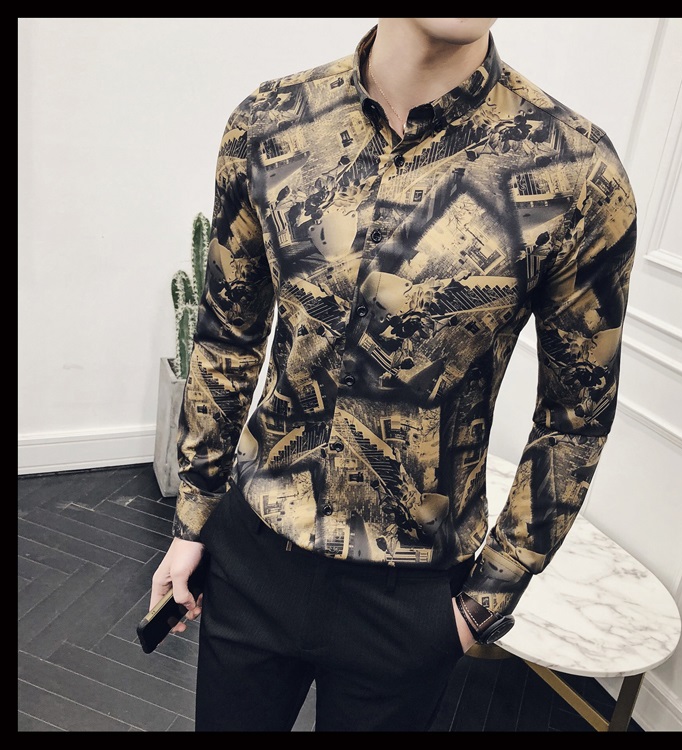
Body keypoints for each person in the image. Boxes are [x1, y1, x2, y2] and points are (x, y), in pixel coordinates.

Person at [150, 17, 637, 732]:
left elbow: (576, 417)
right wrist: (193, 519)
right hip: (254, 556)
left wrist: (483, 605)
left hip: (412, 598)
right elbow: (229, 335)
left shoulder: (577, 172)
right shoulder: (271, 120)